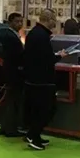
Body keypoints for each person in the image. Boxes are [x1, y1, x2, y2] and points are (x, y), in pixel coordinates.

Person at [23, 9, 67, 150]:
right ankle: (34, 137)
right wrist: (59, 56)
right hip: (43, 80)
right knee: (46, 110)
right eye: (54, 19)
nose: (55, 22)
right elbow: (46, 59)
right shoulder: (42, 36)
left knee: (36, 109)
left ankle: (32, 134)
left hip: (32, 78)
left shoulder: (33, 33)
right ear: (49, 20)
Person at [0, 13, 25, 137]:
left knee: (10, 100)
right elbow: (17, 55)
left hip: (9, 71)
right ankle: (10, 129)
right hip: (14, 72)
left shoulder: (8, 34)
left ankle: (5, 126)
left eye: (21, 21)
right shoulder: (11, 36)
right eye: (16, 21)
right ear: (10, 22)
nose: (19, 24)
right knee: (13, 100)